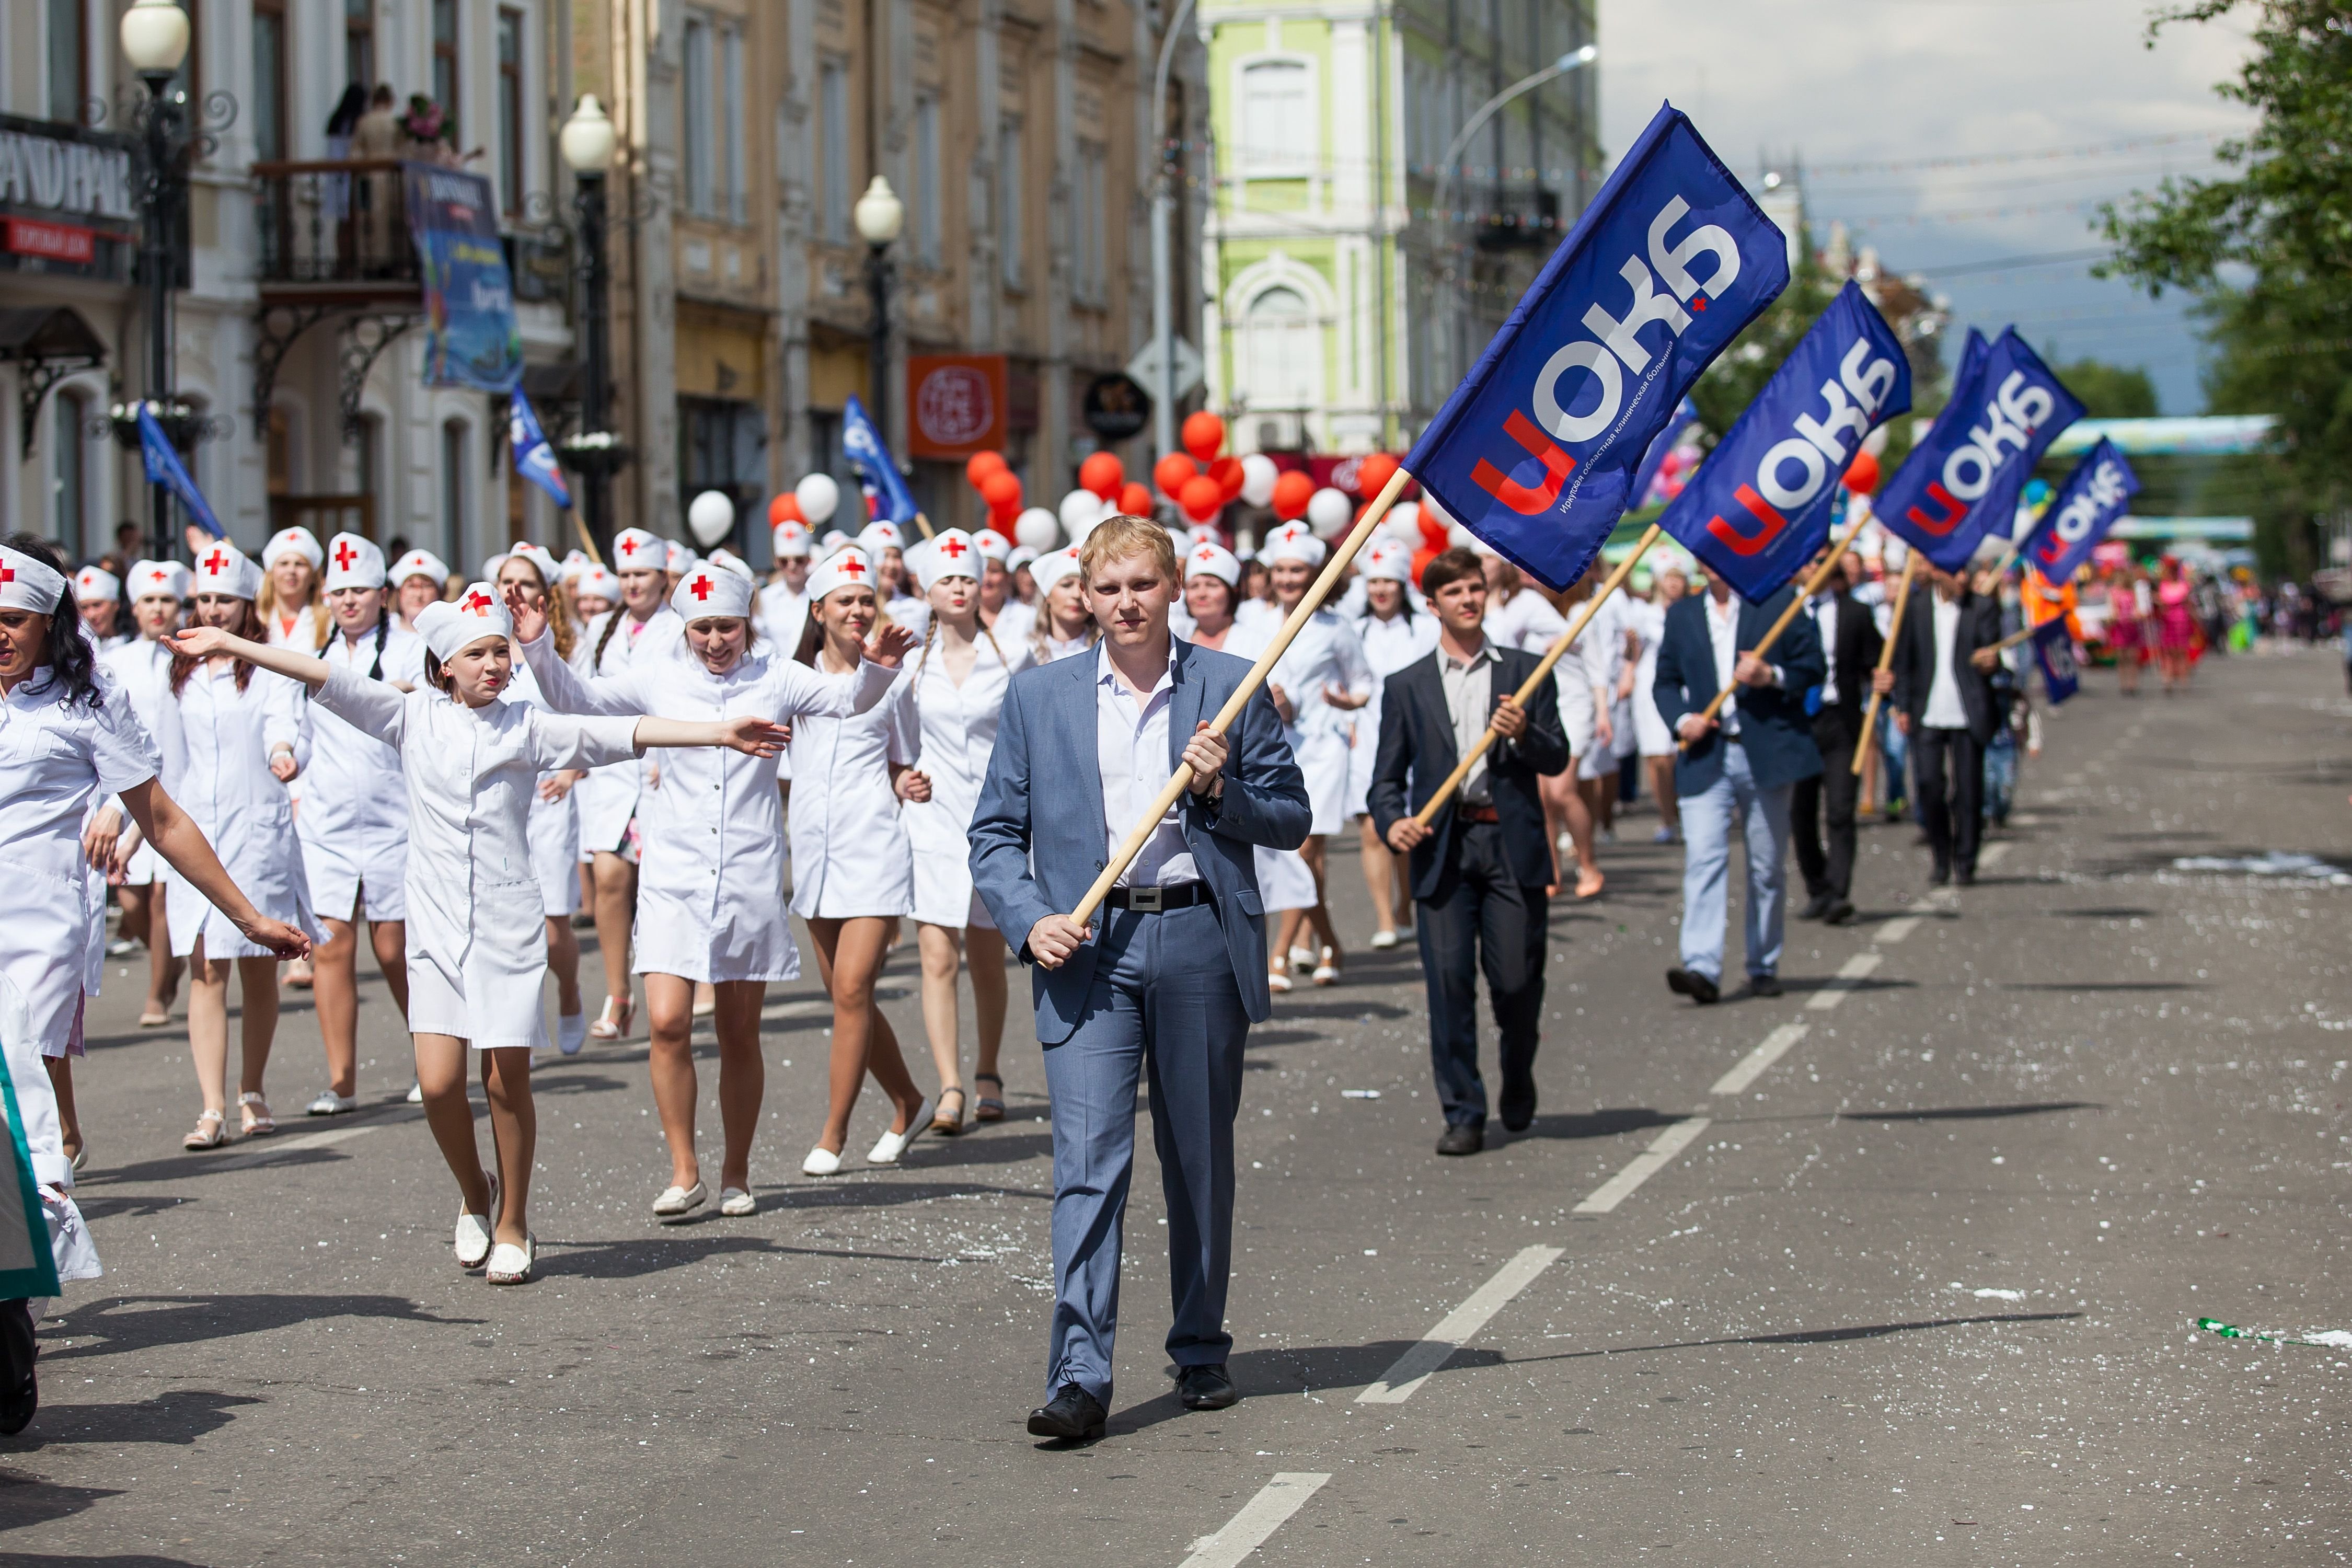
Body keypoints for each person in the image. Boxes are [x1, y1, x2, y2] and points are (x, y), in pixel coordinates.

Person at [169, 584, 783, 1284]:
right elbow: (324, 676)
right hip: (435, 923)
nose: (494, 664)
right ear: (443, 666)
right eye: (478, 654)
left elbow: (628, 733)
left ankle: (516, 1222)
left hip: (507, 922)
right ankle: (475, 1192)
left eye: (501, 651)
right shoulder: (407, 717)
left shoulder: (527, 726)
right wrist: (229, 643)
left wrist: (718, 732)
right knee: (436, 1086)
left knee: (503, 1079)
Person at [969, 514, 1310, 1441]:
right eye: (1108, 587)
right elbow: (994, 834)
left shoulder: (1229, 687)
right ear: (1083, 593)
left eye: (1143, 586)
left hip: (1197, 938)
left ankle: (1201, 1346)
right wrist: (1029, 914)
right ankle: (1080, 1375)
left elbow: (1289, 816)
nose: (1125, 603)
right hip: (1088, 952)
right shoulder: (1039, 698)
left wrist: (1215, 791)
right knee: (1088, 1165)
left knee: (1196, 1158)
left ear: (1173, 590)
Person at [1, 536, 310, 1421]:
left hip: (33, 940)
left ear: (47, 623)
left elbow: (162, 819)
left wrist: (247, 916)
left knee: (11, 1135)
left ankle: (9, 1326)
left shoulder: (85, 702)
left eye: (14, 621)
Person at [515, 557, 909, 1214]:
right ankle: (683, 1168)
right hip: (673, 874)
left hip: (750, 874)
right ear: (685, 628)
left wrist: (878, 669)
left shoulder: (779, 674)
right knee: (668, 1022)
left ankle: (736, 1171)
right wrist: (534, 646)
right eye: (703, 630)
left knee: (737, 1030)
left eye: (727, 627)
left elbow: (845, 703)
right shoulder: (658, 676)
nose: (716, 642)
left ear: (747, 622)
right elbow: (577, 700)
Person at [1367, 547, 1569, 1155]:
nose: (1469, 600)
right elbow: (1385, 780)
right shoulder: (1406, 686)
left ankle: (1518, 1069)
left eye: (1476, 589)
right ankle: (1463, 1110)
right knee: (1450, 985)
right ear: (1432, 605)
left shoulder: (1526, 673)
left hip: (1509, 843)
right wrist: (1392, 823)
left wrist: (1524, 733)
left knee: (1514, 981)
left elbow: (1556, 756)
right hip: (1443, 848)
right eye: (1454, 592)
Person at [160, 542, 321, 1144]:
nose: (213, 609)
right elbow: (159, 762)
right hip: (197, 832)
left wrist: (285, 753)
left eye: (224, 599)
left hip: (259, 830)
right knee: (206, 967)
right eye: (204, 598)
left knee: (258, 965)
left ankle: (251, 1089)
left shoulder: (270, 662)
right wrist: (128, 831)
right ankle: (211, 1106)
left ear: (246, 601)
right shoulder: (174, 668)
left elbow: (290, 725)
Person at [783, 548, 933, 1174]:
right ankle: (908, 1102)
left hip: (873, 849)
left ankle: (833, 1133)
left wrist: (905, 784)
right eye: (844, 600)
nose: (857, 610)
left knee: (851, 990)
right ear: (818, 611)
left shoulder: (892, 679)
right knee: (852, 1000)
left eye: (865, 600)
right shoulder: (792, 680)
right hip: (814, 857)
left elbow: (902, 759)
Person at [901, 531, 1031, 1134]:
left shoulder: (1015, 658)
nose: (958, 588)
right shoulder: (908, 662)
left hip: (994, 818)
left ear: (983, 586)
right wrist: (899, 777)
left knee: (986, 954)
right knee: (935, 954)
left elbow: (1032, 739)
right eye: (947, 579)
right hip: (930, 818)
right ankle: (949, 1083)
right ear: (926, 590)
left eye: (968, 578)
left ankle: (988, 1070)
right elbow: (886, 737)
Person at [1652, 569, 1825, 1004]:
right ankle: (1701, 967)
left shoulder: (1779, 602)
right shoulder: (1684, 615)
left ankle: (1763, 962)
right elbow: (1665, 683)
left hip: (1766, 752)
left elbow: (1813, 666)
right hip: (1707, 755)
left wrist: (1773, 676)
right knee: (1704, 860)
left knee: (1766, 865)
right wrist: (1681, 720)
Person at [294, 533, 422, 1113]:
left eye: (361, 592)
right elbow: (289, 718)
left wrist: (395, 691)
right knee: (330, 946)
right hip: (328, 820)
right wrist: (283, 752)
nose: (349, 602)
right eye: (339, 592)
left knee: (393, 948)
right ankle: (342, 1080)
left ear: (383, 595)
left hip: (395, 815)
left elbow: (428, 704)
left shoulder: (411, 648)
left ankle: (431, 1058)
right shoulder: (307, 646)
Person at [1230, 526, 1371, 988]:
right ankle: (1328, 939)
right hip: (1270, 748)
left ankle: (1281, 950)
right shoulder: (1253, 623)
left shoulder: (1336, 627)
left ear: (1317, 575)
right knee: (1287, 850)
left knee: (1305, 846)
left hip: (1322, 747)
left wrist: (1348, 704)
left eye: (1298, 571)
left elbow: (1364, 682)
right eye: (1282, 571)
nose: (1289, 579)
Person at [573, 527, 682, 1040]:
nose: (633, 584)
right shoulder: (600, 630)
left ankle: (679, 982)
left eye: (642, 574)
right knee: (610, 878)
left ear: (663, 577)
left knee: (663, 885)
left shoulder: (681, 626)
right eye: (626, 575)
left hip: (665, 768)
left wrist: (669, 750)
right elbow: (579, 696)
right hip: (613, 770)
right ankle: (618, 993)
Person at [491, 548, 591, 1055]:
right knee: (510, 926)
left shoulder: (569, 649)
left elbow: (592, 715)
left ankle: (570, 991)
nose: (514, 591)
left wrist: (574, 771)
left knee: (553, 930)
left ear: (544, 593)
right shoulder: (486, 645)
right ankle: (519, 1032)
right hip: (502, 798)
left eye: (524, 582)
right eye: (505, 580)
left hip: (551, 794)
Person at [103, 560, 192, 1025]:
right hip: (128, 791)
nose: (158, 609)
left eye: (167, 600)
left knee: (161, 896)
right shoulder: (113, 662)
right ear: (134, 609)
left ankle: (158, 995)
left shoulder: (192, 655)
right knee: (132, 903)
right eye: (149, 601)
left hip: (178, 789)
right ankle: (167, 960)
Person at [1348, 540, 1437, 950]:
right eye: (1374, 581)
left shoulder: (1425, 630)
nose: (1380, 589)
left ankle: (1406, 909)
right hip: (1366, 738)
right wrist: (1346, 716)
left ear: (1403, 584)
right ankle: (1385, 917)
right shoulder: (1355, 629)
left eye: (1388, 581)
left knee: (1407, 830)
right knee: (1373, 830)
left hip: (1415, 739)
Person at [1790, 548, 1885, 928]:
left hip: (1841, 722)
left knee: (1841, 810)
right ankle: (1817, 887)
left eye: (1823, 561)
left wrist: (1883, 678)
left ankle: (1838, 892)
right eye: (1809, 560)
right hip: (1798, 723)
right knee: (1801, 812)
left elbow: (1876, 660)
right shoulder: (1785, 613)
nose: (1815, 568)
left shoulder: (1856, 613)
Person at [1890, 566, 2002, 887]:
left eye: (1967, 571)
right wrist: (1902, 704)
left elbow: (1992, 654)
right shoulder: (1916, 607)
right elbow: (1905, 659)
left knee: (1968, 791)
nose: (1964, 579)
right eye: (1957, 572)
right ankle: (1941, 856)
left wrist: (1990, 662)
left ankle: (1966, 861)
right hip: (1927, 711)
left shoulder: (1982, 607)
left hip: (1968, 712)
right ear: (1939, 573)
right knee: (1928, 786)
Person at [1630, 565, 1686, 844]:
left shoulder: (1693, 611)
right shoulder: (1643, 614)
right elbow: (1632, 653)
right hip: (1649, 688)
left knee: (1679, 755)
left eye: (1679, 578)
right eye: (1669, 577)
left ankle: (1684, 812)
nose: (1674, 583)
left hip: (1682, 687)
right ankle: (1668, 818)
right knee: (1657, 757)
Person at [1027, 548, 1098, 662]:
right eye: (1066, 585)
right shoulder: (1028, 652)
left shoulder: (1105, 650)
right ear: (1048, 596)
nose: (1077, 595)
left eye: (1084, 587)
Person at [2155, 557, 2197, 694]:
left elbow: (2189, 604)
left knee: (2182, 651)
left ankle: (2184, 680)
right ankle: (2168, 679)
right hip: (2168, 622)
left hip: (2182, 621)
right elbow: (2162, 604)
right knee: (2169, 652)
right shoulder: (2164, 586)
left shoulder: (2184, 585)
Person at [391, 549, 450, 633]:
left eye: (426, 586)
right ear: (399, 592)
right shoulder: (384, 630)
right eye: (411, 587)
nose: (418, 595)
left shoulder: (449, 631)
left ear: (439, 592)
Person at [73, 566, 124, 652]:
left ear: (116, 604)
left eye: (97, 605)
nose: (91, 615)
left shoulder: (134, 645)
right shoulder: (79, 650)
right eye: (84, 607)